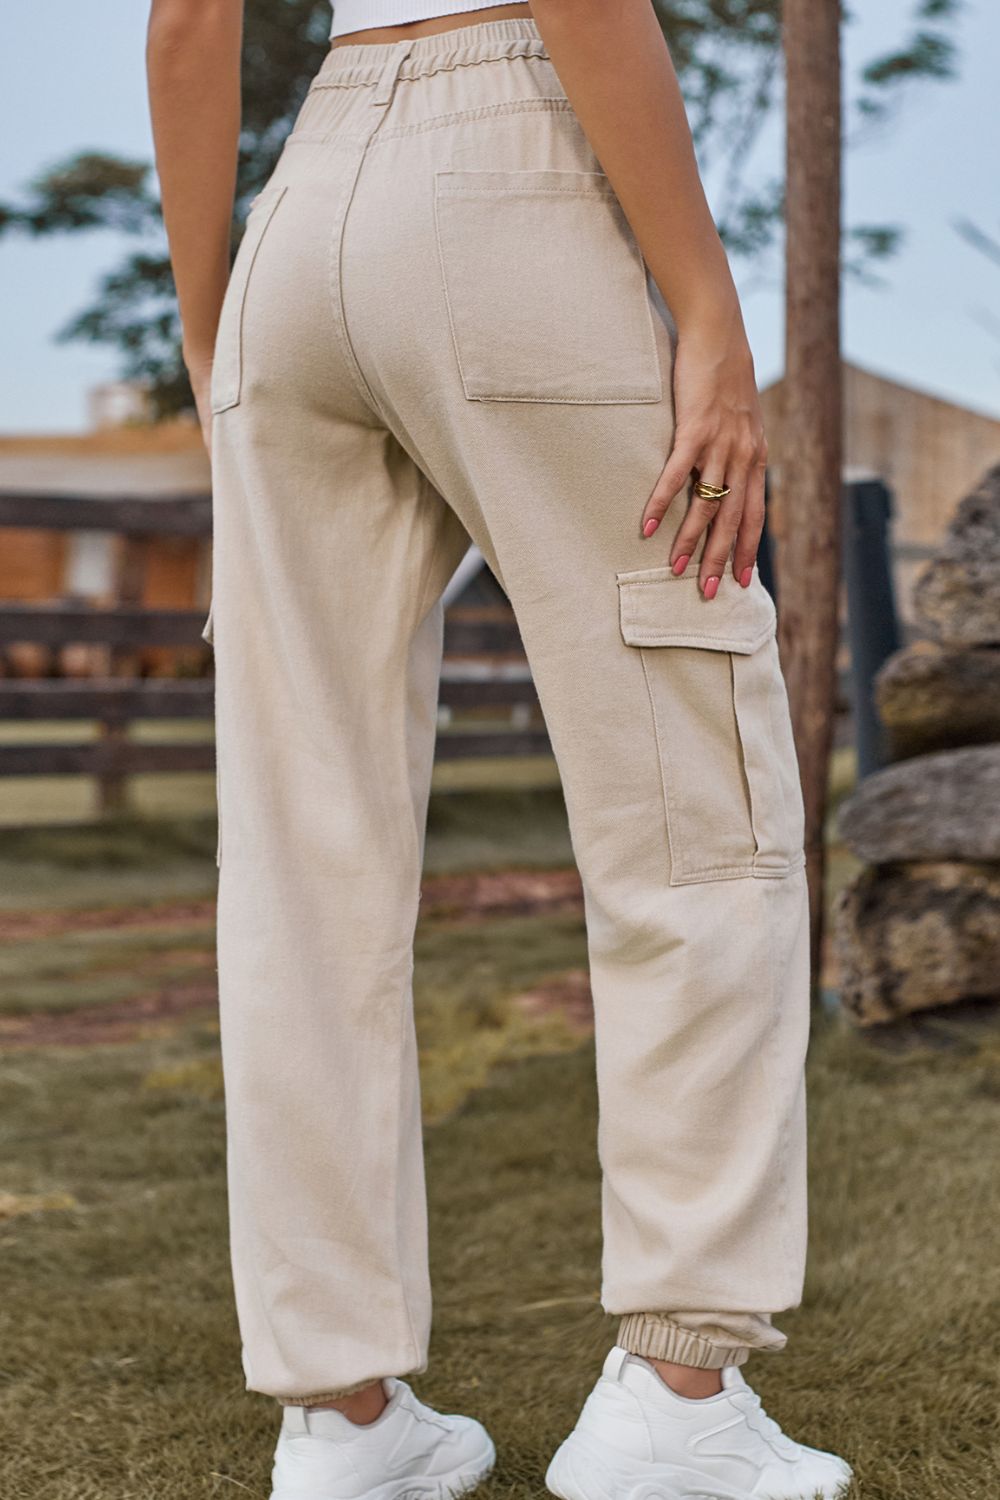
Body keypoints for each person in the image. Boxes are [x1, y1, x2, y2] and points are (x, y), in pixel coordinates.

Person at [146, 2, 853, 1497]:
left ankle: (337, 1421)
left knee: (299, 852)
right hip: (509, 168)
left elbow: (187, 18)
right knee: (692, 798)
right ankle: (675, 1391)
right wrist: (709, 313)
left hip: (303, 207)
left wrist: (217, 345)